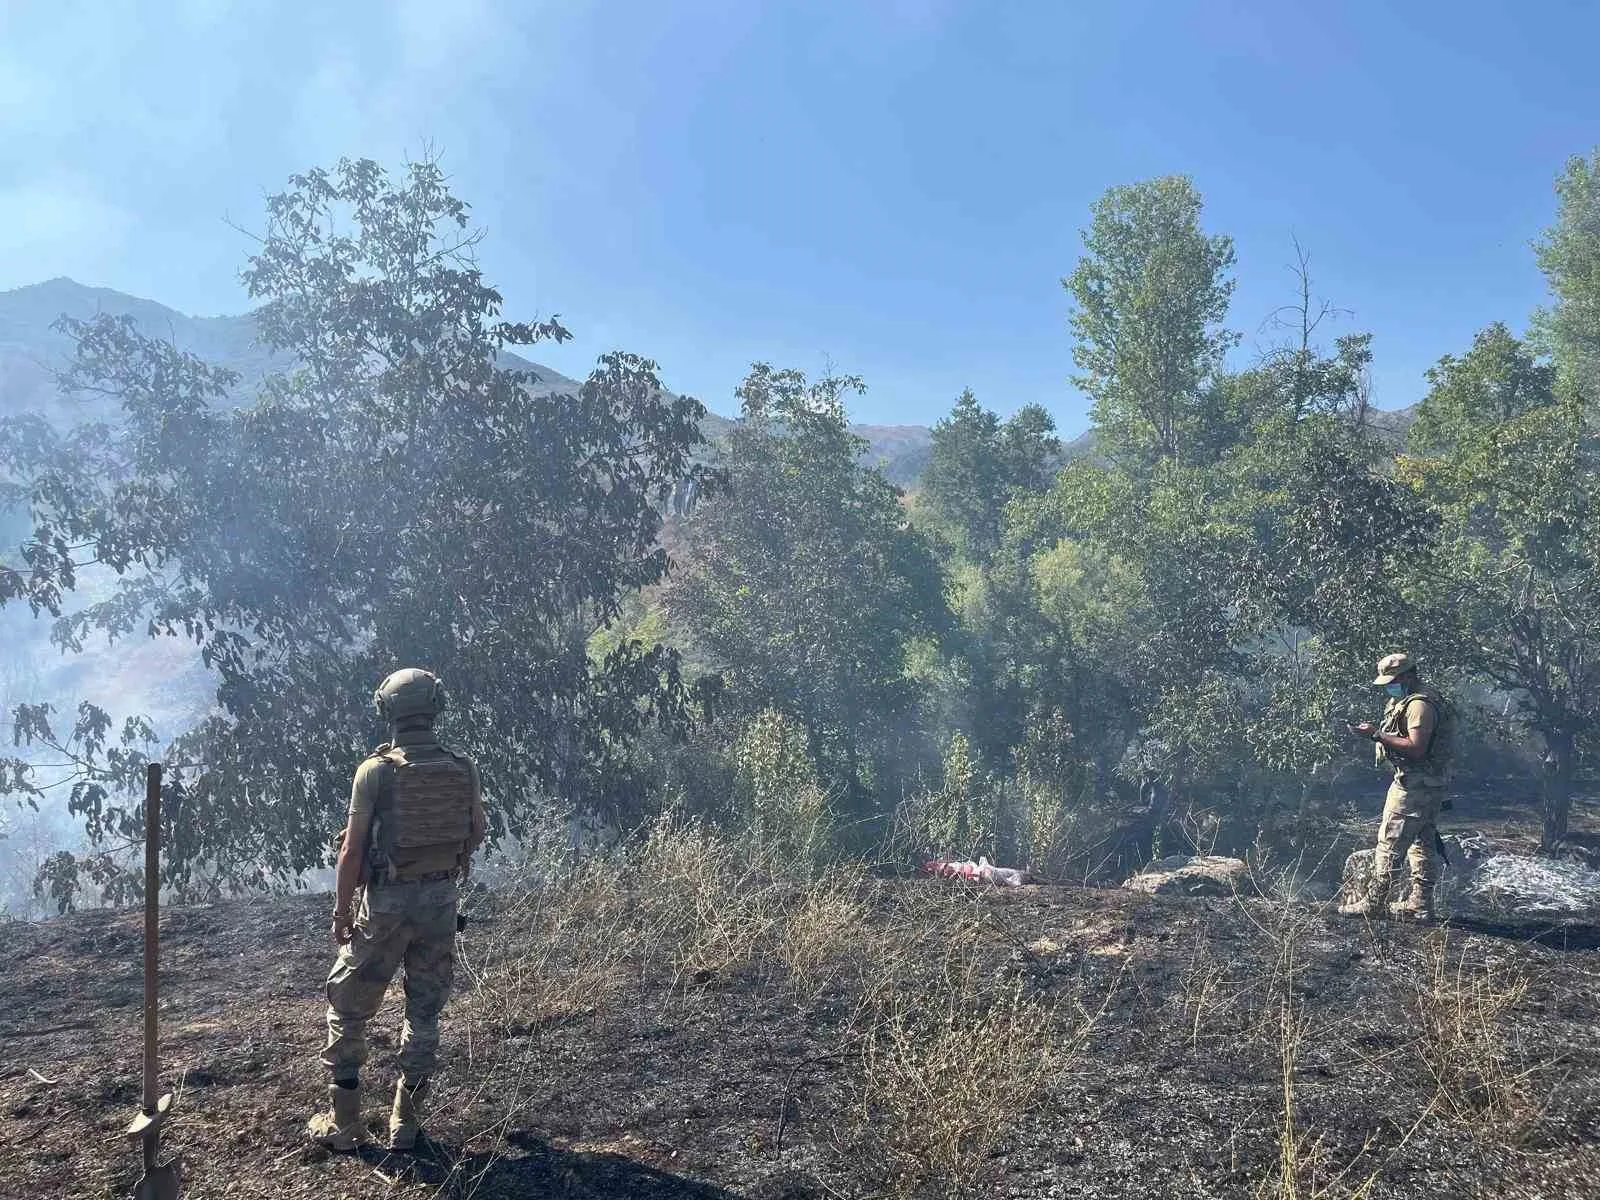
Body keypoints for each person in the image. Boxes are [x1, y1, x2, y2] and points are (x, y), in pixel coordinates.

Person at [307, 667, 486, 1152]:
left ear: (385, 710)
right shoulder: (461, 765)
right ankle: (405, 1125)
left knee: (347, 1005)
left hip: (385, 903)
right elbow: (476, 830)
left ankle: (344, 1126)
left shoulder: (376, 771)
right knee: (424, 1010)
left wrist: (342, 913)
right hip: (440, 901)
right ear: (436, 706)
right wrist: (452, 863)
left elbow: (352, 852)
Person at [1338, 652, 1454, 920]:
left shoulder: (1419, 705)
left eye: (1394, 679)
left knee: (1390, 842)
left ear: (1409, 675)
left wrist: (1376, 734)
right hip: (1428, 784)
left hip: (1413, 786)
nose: (1390, 685)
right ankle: (1420, 904)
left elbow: (1416, 748)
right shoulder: (1418, 699)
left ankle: (1374, 902)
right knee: (1422, 843)